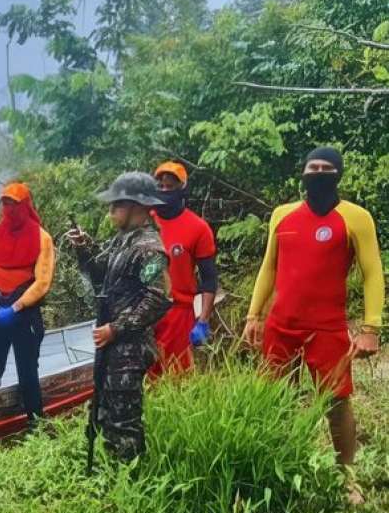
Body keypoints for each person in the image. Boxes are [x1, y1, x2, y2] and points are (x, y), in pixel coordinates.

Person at [243, 147, 383, 477]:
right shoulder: (282, 214)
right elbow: (269, 268)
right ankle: (280, 466)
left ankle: (347, 476)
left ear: (338, 174)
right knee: (275, 401)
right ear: (303, 173)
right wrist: (253, 316)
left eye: (326, 168)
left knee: (336, 403)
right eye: (312, 166)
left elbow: (373, 273)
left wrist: (371, 329)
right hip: (281, 325)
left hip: (327, 328)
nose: (318, 172)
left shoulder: (356, 217)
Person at [66, 173, 172, 461]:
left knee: (124, 423)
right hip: (113, 347)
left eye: (116, 206)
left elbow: (159, 297)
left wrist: (117, 328)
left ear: (137, 207)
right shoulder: (123, 241)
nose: (110, 212)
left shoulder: (149, 248)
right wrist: (83, 248)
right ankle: (114, 480)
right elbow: (100, 274)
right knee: (105, 414)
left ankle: (130, 485)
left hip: (129, 348)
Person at [0, 182, 55, 422]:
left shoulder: (42, 238)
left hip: (25, 313)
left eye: (14, 203)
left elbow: (42, 281)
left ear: (25, 205)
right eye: (5, 203)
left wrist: (17, 307)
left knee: (28, 371)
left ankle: (35, 423)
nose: (9, 208)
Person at [150, 161, 219, 375]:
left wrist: (203, 321)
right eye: (160, 186)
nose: (164, 190)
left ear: (182, 188)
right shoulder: (143, 221)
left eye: (170, 186)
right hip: (143, 314)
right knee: (143, 381)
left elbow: (209, 278)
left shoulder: (197, 228)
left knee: (176, 378)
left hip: (177, 314)